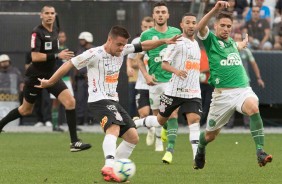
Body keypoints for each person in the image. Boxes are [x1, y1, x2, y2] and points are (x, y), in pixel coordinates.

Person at [35, 25, 180, 182]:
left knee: (133, 137)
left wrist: (164, 40)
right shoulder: (94, 53)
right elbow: (69, 64)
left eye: (124, 45)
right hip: (98, 100)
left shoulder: (123, 49)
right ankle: (109, 166)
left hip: (113, 100)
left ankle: (114, 171)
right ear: (109, 39)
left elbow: (143, 45)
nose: (121, 48)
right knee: (114, 128)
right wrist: (50, 81)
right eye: (118, 44)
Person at [0, 5, 91, 152]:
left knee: (70, 102)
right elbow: (35, 57)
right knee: (25, 110)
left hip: (51, 75)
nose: (50, 16)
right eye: (46, 13)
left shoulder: (56, 29)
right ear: (41, 15)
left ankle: (74, 142)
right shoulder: (37, 33)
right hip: (35, 76)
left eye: (52, 13)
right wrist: (57, 55)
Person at [194, 1, 272, 170]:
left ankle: (260, 151)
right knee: (210, 136)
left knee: (253, 107)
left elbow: (237, 45)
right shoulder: (211, 40)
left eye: (229, 26)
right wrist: (215, 9)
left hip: (242, 90)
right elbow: (199, 27)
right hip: (222, 96)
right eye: (222, 25)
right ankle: (200, 149)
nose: (226, 29)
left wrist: (241, 45)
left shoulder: (231, 43)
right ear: (215, 26)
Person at [135, 12, 202, 164]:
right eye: (188, 22)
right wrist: (177, 71)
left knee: (194, 120)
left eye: (193, 23)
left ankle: (195, 157)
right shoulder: (176, 41)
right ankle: (138, 123)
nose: (191, 25)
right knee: (159, 120)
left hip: (192, 92)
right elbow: (164, 64)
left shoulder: (196, 44)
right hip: (173, 90)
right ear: (181, 25)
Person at [138, 1, 182, 156]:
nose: (161, 14)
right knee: (158, 118)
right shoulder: (146, 35)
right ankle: (159, 134)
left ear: (168, 15)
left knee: (173, 113)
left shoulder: (176, 32)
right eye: (158, 12)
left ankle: (170, 150)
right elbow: (138, 58)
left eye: (163, 12)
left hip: (173, 81)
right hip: (155, 81)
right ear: (154, 15)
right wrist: (146, 75)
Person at [226, 32, 265, 128]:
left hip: (244, 81)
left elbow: (254, 64)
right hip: (231, 81)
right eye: (236, 38)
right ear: (233, 39)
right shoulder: (228, 50)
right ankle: (229, 124)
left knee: (246, 101)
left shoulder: (246, 51)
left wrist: (259, 78)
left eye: (240, 38)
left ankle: (247, 124)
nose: (238, 40)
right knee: (230, 102)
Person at [126, 16, 154, 144]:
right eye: (145, 27)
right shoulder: (137, 40)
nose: (147, 29)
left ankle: (159, 137)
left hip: (158, 83)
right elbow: (130, 58)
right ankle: (151, 131)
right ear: (141, 27)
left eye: (150, 27)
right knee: (144, 113)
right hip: (142, 83)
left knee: (161, 115)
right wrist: (129, 67)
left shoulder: (160, 39)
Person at [74, 31, 94, 125]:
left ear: (87, 39)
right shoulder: (79, 50)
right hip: (80, 79)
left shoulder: (94, 50)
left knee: (92, 99)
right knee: (80, 99)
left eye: (82, 39)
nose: (80, 41)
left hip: (92, 79)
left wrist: (89, 74)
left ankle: (91, 118)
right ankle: (80, 119)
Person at [0, 54, 24, 127]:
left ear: (9, 62)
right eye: (2, 62)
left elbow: (21, 82)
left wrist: (22, 87)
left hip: (14, 97)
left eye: (6, 61)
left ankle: (19, 123)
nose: (4, 63)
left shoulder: (15, 71)